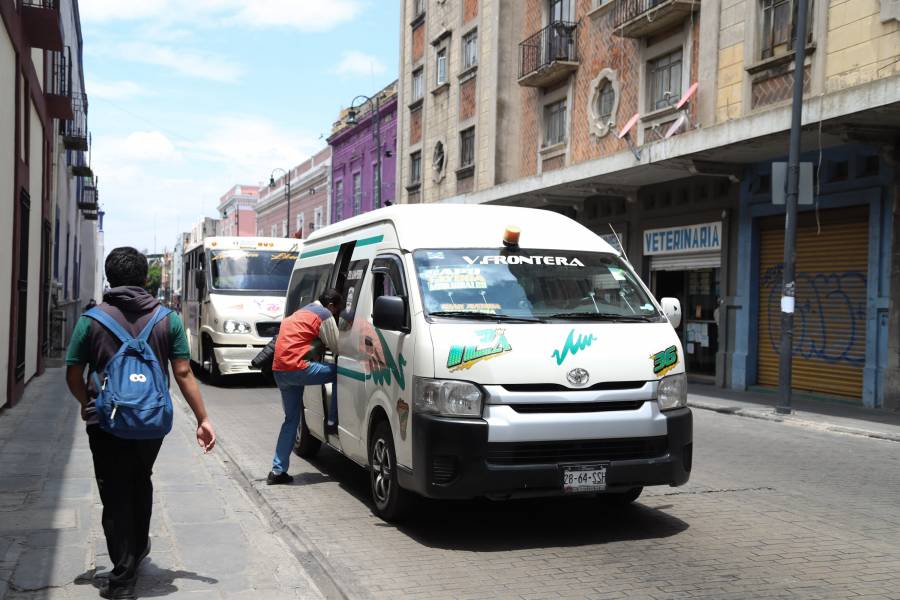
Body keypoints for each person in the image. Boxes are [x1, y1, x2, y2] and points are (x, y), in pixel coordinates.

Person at [65, 247, 216, 600]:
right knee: (140, 478)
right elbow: (182, 371)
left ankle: (122, 575)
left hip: (104, 422)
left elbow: (73, 372)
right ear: (143, 279)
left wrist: (88, 404)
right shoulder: (169, 319)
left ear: (110, 278)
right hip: (150, 422)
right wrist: (203, 418)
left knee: (114, 490)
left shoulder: (91, 319)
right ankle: (139, 545)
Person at [268, 289, 342, 485]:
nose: (334, 315)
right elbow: (337, 348)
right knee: (338, 373)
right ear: (332, 306)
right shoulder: (324, 314)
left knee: (291, 420)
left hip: (280, 371)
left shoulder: (299, 313)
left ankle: (277, 471)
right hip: (298, 368)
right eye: (336, 311)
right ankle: (333, 422)